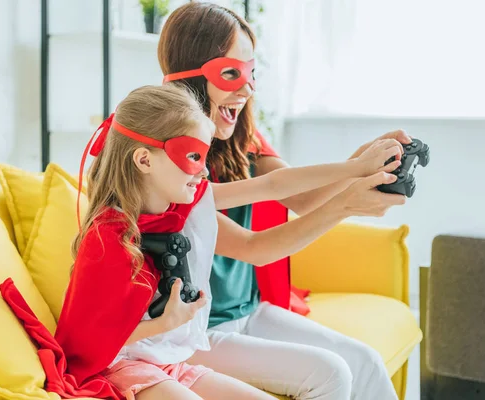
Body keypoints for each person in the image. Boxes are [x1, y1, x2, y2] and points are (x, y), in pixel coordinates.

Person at [0, 84, 404, 400]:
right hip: (124, 365)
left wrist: (357, 167)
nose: (203, 171)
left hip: (171, 358)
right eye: (193, 157)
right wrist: (165, 323)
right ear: (144, 160)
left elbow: (272, 184)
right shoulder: (109, 238)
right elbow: (87, 343)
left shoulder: (182, 203)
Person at [157, 3, 411, 399]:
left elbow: (300, 195)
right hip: (196, 332)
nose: (247, 88)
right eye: (231, 73)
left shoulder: (240, 142)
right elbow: (254, 248)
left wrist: (360, 165)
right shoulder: (170, 164)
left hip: (248, 311)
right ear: (189, 75)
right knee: (330, 373)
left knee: (364, 361)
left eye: (251, 73)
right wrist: (346, 201)